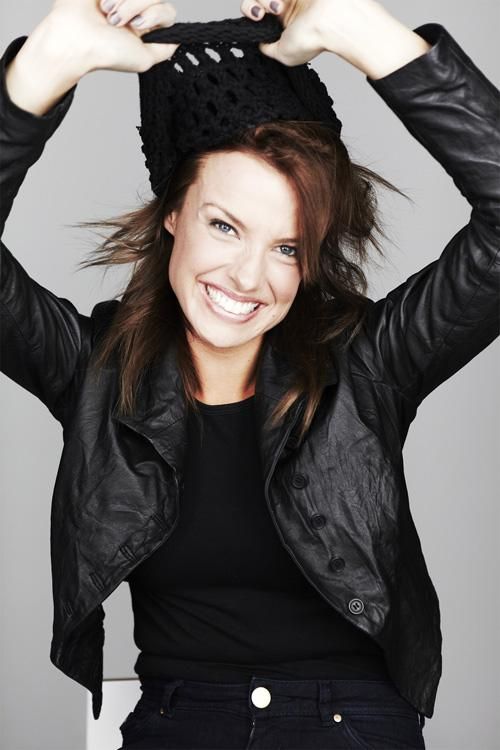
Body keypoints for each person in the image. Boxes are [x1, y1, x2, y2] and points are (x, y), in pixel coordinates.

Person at [1, 1, 498, 749]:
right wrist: (44, 69)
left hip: (352, 727)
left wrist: (358, 29)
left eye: (287, 248)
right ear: (174, 213)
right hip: (175, 725)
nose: (247, 276)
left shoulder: (369, 363)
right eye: (224, 226)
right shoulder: (92, 368)